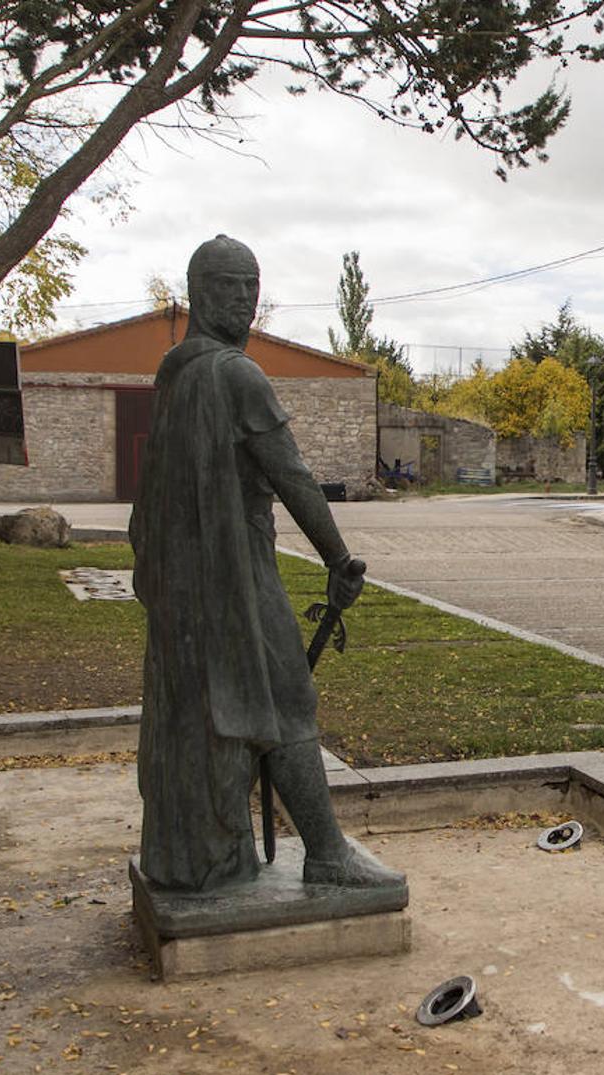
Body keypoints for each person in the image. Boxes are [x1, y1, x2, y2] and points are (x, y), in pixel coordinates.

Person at [129, 235, 402, 894]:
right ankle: (325, 854)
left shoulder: (175, 372)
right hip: (233, 580)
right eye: (232, 285)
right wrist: (337, 557)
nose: (245, 300)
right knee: (286, 698)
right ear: (199, 291)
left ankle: (220, 856)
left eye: (253, 286)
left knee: (236, 711)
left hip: (189, 589)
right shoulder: (230, 373)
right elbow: (293, 476)